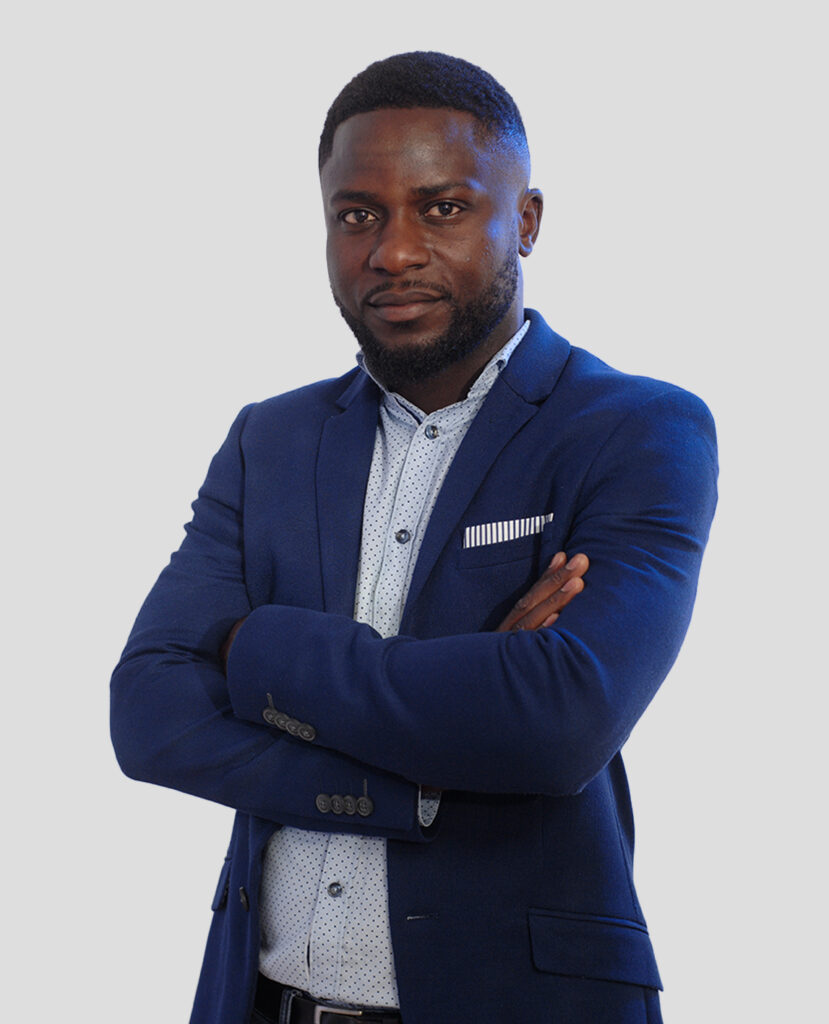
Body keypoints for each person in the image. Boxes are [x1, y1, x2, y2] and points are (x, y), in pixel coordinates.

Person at [111, 51, 718, 1024]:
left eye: (442, 208)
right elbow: (149, 713)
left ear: (525, 221)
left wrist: (251, 649)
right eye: (358, 215)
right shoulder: (269, 440)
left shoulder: (634, 429)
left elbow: (559, 721)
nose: (393, 252)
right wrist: (431, 765)